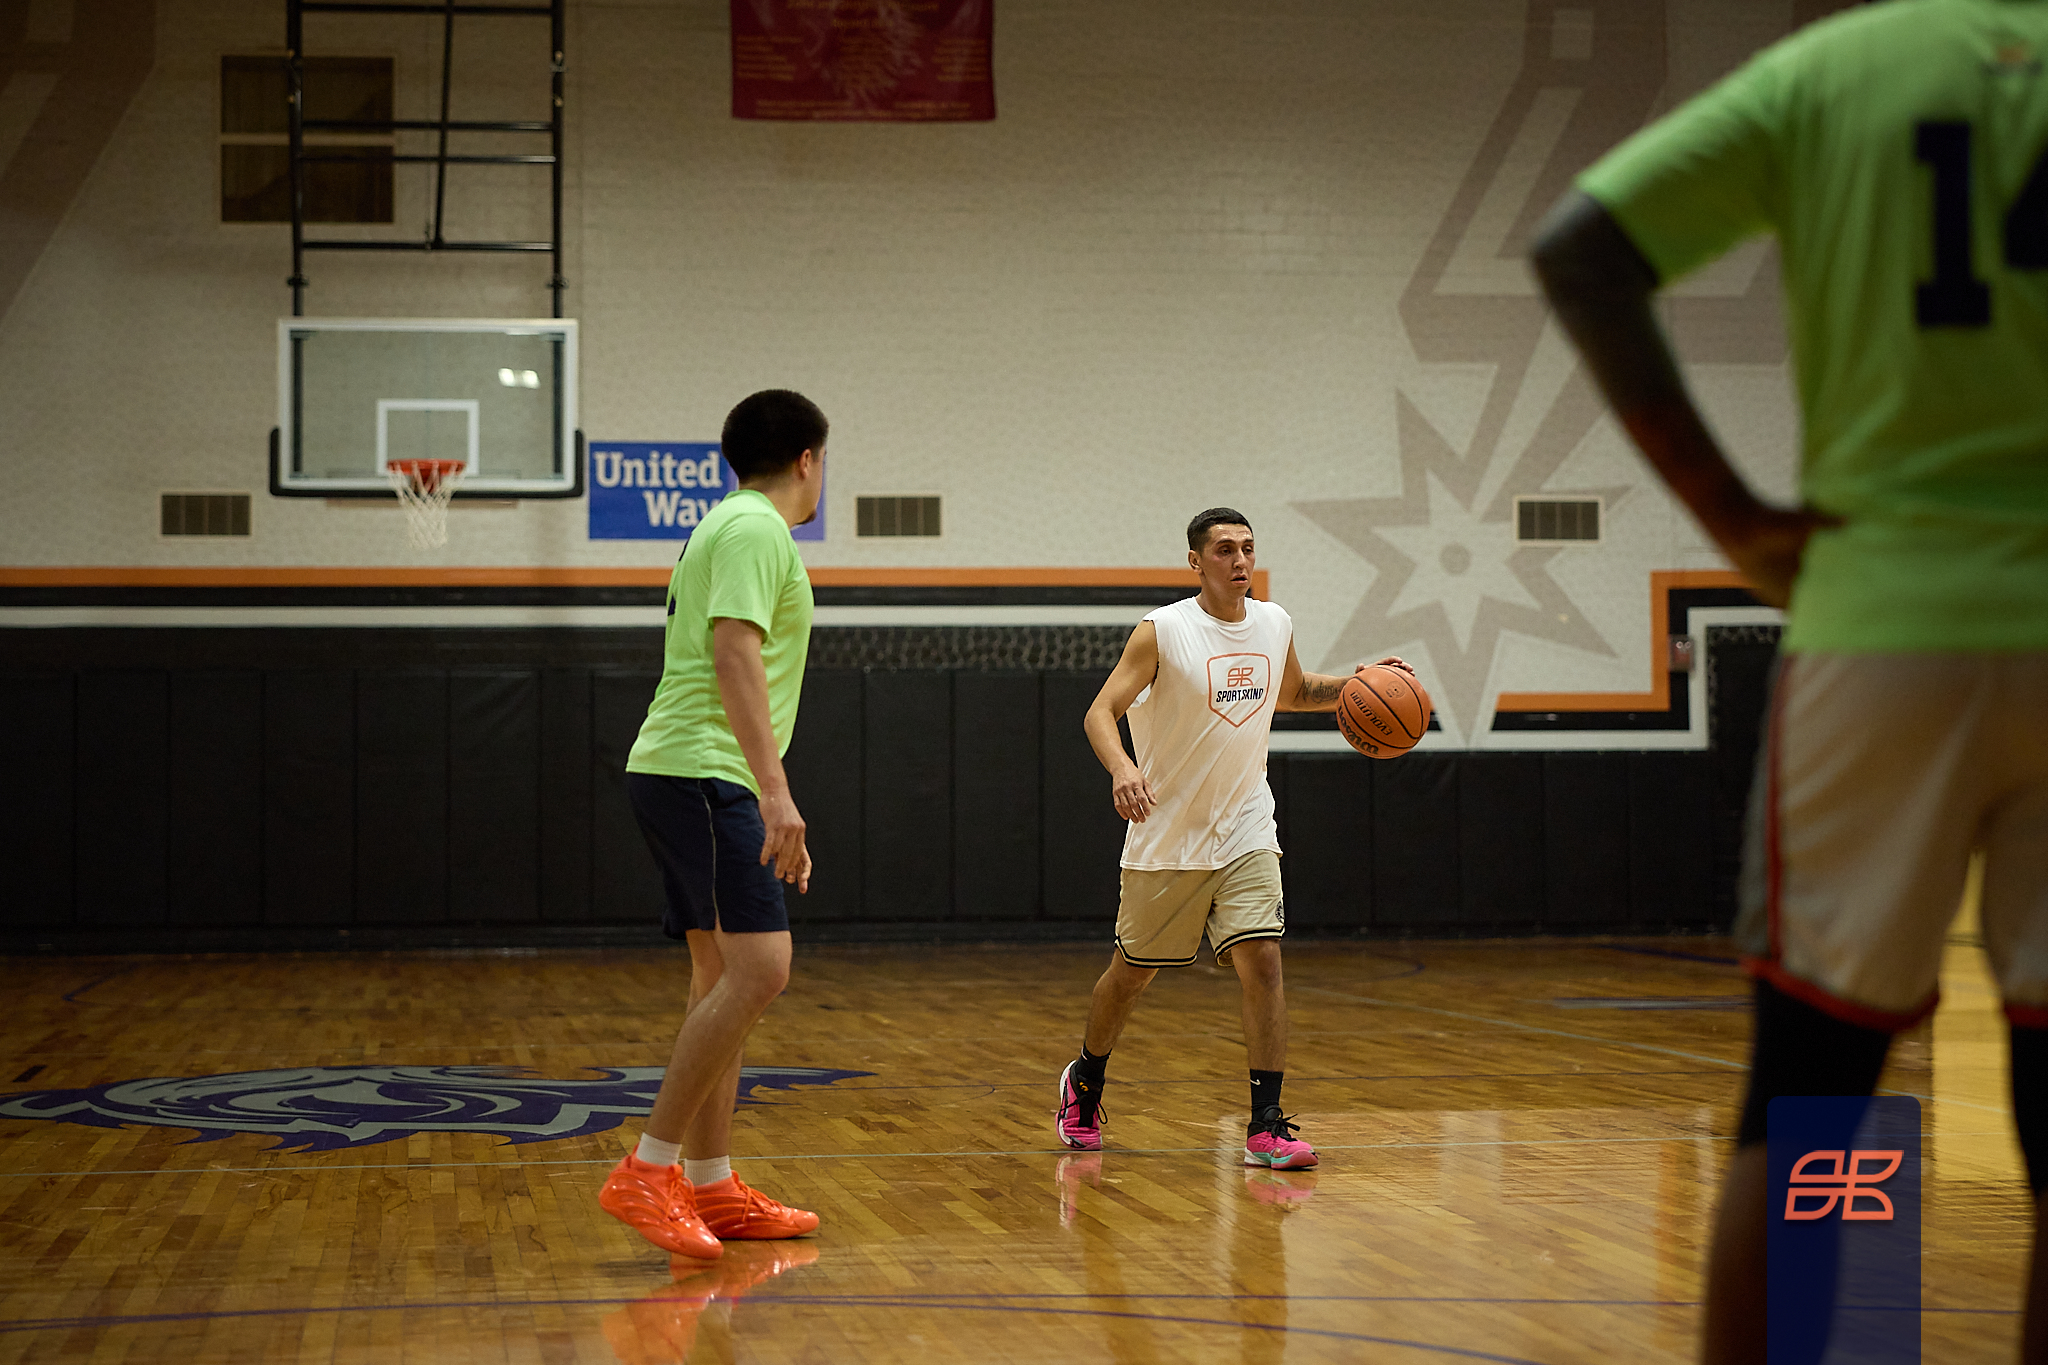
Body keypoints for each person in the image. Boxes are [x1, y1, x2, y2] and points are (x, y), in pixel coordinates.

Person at [1530, 4, 2048, 1360]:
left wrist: (1737, 520)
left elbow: (1581, 249)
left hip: (1883, 624)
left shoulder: (1837, 69)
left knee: (1813, 1093)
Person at [1054, 506, 1413, 1169]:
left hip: (1246, 824)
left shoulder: (1274, 623)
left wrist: (1361, 685)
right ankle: (1087, 1079)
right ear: (1196, 561)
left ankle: (1266, 1125)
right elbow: (1099, 712)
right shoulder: (1163, 631)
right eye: (1224, 549)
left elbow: (1293, 691)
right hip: (1168, 833)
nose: (1240, 559)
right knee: (1131, 975)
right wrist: (1124, 768)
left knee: (1264, 961)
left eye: (1247, 547)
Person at [598, 389, 829, 1260]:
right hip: (705, 773)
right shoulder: (756, 528)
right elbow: (734, 650)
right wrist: (775, 792)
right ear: (807, 458)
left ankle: (710, 1183)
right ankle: (649, 1169)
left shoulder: (728, 524)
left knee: (722, 977)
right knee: (762, 969)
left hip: (688, 769)